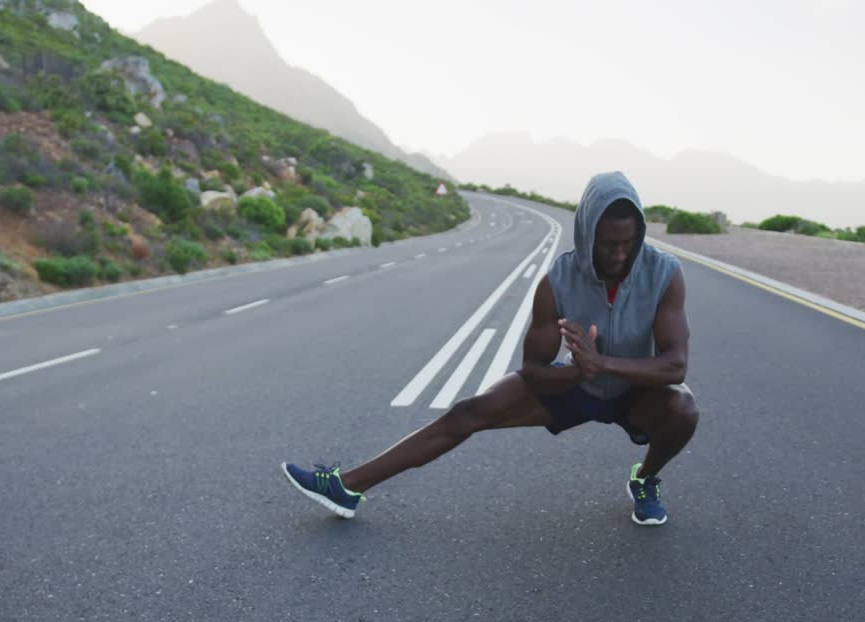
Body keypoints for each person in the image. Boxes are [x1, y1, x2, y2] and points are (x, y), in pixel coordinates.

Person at [281, 171, 698, 526]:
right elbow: (533, 370)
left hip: (634, 393)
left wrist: (601, 362)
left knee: (683, 409)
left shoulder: (664, 274)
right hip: (575, 386)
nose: (620, 254)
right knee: (469, 411)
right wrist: (577, 372)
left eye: (629, 243)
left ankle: (644, 478)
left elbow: (675, 364)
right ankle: (347, 486)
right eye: (609, 243)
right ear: (588, 231)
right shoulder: (558, 281)